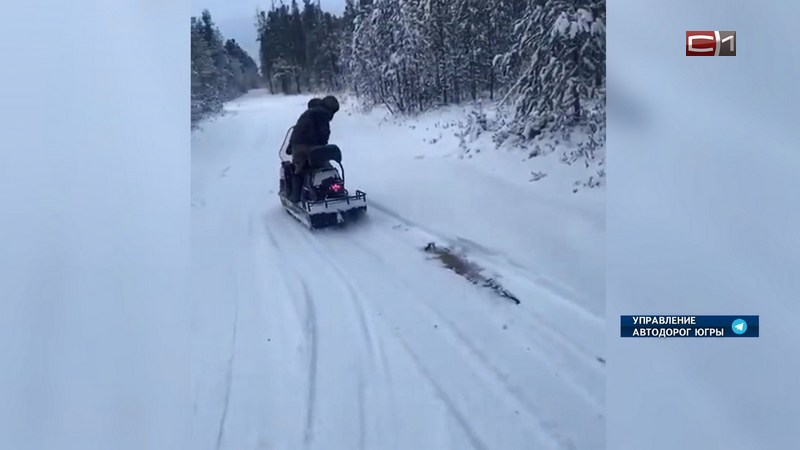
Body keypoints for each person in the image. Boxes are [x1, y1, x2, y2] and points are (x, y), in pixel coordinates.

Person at [286, 95, 340, 202]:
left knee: (299, 169)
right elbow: (324, 134)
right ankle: (332, 190)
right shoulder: (323, 115)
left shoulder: (308, 114)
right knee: (323, 167)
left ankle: (295, 197)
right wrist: (322, 145)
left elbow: (297, 131)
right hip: (313, 147)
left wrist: (290, 146)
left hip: (299, 146)